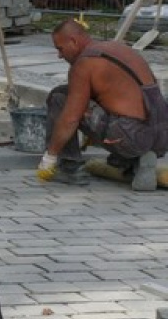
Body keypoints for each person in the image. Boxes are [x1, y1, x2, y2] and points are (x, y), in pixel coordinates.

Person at [38, 19, 167, 191]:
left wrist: (50, 157)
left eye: (60, 49)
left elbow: (70, 118)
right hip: (161, 134)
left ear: (74, 41)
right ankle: (133, 159)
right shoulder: (118, 48)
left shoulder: (84, 64)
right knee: (105, 104)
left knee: (60, 97)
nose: (59, 55)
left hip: (130, 135)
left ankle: (69, 167)